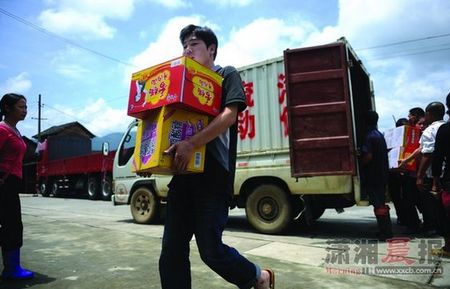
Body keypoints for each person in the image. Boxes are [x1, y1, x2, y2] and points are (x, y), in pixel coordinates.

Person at [156, 25, 274, 289]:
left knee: (211, 251)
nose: (187, 49)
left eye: (194, 44)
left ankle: (258, 276)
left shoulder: (225, 75)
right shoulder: (180, 83)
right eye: (184, 45)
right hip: (183, 177)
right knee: (171, 250)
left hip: (213, 179)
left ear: (211, 49)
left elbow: (230, 115)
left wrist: (192, 143)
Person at [0, 93, 34, 279]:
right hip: (4, 182)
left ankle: (12, 267)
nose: (25, 110)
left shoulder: (14, 131)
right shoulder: (3, 129)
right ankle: (11, 270)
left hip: (11, 183)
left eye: (26, 107)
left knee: (12, 224)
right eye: (21, 107)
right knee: (11, 224)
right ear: (7, 108)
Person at [360, 110, 392, 240]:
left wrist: (359, 165)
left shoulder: (369, 136)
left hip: (373, 176)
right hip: (382, 174)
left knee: (379, 205)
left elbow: (368, 156)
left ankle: (386, 232)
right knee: (381, 203)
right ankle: (385, 230)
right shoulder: (379, 134)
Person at [416, 102, 446, 235]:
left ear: (428, 114)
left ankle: (438, 232)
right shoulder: (446, 127)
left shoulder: (430, 130)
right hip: (447, 173)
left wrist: (420, 176)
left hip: (436, 176)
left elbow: (427, 155)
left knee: (436, 207)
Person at [431, 93, 450, 257]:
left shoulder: (445, 130)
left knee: (446, 213)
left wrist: (435, 182)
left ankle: (448, 248)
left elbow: (437, 158)